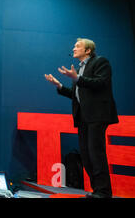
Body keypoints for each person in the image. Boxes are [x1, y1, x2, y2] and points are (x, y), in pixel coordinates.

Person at [44, 38, 118, 198]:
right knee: (85, 155)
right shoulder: (79, 69)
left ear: (88, 50)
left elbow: (100, 83)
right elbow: (76, 94)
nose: (74, 48)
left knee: (96, 153)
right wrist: (59, 86)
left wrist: (77, 78)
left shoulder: (100, 62)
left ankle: (104, 192)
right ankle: (97, 190)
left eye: (78, 46)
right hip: (83, 117)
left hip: (98, 115)